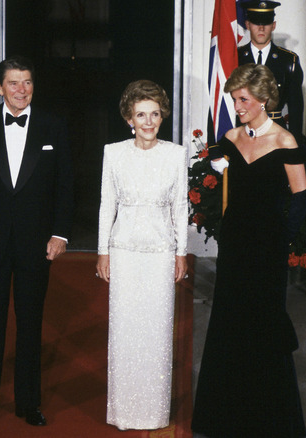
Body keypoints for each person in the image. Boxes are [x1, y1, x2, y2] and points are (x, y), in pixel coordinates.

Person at [0, 55, 74, 429]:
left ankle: (29, 402)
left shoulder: (53, 125)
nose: (22, 90)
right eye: (14, 83)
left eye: (27, 82)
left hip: (36, 243)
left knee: (31, 324)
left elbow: (65, 185)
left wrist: (60, 233)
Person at [191, 64, 306, 437]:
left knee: (264, 323)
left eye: (242, 99)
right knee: (230, 320)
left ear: (263, 100)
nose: (237, 106)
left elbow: (301, 197)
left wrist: (283, 239)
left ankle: (269, 421)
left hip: (268, 247)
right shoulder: (231, 136)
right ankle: (225, 417)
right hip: (236, 242)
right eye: (234, 99)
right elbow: (213, 169)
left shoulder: (285, 142)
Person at [96, 80, 188, 430]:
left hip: (161, 252)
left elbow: (180, 207)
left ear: (162, 116)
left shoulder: (176, 154)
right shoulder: (113, 153)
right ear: (128, 119)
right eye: (140, 115)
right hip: (124, 252)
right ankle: (123, 411)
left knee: (157, 334)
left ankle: (153, 411)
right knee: (124, 332)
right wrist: (102, 252)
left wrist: (181, 253)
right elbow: (107, 205)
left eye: (154, 114)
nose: (148, 122)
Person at [238, 0, 305, 145]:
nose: (261, 28)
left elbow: (296, 109)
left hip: (276, 134)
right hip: (242, 133)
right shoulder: (235, 58)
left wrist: (294, 145)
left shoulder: (288, 60)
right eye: (256, 22)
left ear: (273, 26)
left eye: (266, 23)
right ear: (248, 25)